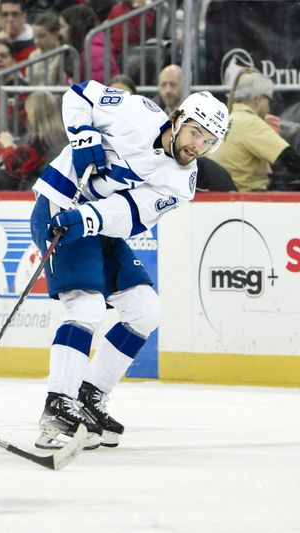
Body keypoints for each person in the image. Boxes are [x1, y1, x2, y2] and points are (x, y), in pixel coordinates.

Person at [29, 81, 228, 450]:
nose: (197, 146)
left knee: (146, 310)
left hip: (94, 224)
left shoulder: (182, 181)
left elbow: (130, 215)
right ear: (179, 118)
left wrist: (87, 218)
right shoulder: (137, 113)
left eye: (208, 141)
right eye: (196, 133)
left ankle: (90, 394)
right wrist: (84, 133)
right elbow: (79, 93)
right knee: (85, 307)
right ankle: (58, 403)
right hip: (59, 205)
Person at [208, 72, 300, 192]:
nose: (269, 108)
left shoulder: (228, 120)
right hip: (243, 196)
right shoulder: (251, 123)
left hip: (218, 194)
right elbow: (290, 158)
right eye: (269, 101)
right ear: (259, 99)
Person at [0, 91, 68, 189]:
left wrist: (7, 146)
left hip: (37, 192)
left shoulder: (39, 140)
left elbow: (18, 169)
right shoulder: (64, 136)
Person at [59, 4, 119, 83]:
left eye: (62, 26)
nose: (60, 32)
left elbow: (96, 88)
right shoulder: (78, 49)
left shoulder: (95, 53)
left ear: (74, 27)